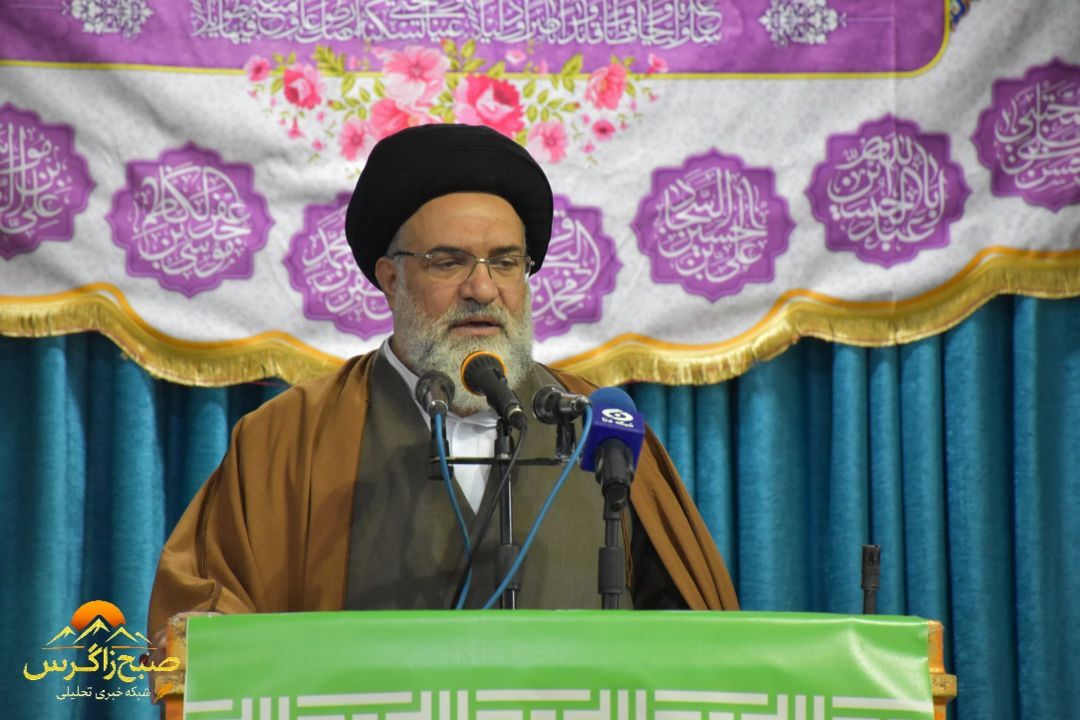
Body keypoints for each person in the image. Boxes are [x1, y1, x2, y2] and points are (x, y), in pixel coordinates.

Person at [148, 124, 738, 638]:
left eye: (505, 262)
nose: (482, 289)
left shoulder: (599, 428)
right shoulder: (287, 439)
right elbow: (204, 628)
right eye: (448, 261)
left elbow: (696, 639)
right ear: (390, 279)